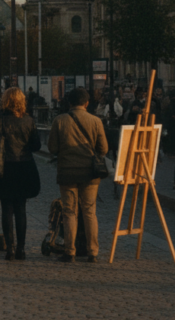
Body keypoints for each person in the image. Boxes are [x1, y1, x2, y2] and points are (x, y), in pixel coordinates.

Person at [48, 87, 109, 263]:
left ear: (69, 102)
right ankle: (92, 252)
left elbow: (52, 148)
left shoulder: (59, 121)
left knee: (69, 212)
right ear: (87, 103)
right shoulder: (95, 121)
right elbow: (103, 149)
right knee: (90, 211)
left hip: (67, 172)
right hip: (90, 174)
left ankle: (70, 251)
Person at [0, 87, 41, 261]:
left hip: (3, 168)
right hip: (23, 166)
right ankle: (21, 249)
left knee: (6, 208)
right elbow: (36, 145)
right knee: (21, 208)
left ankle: (10, 248)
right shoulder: (28, 120)